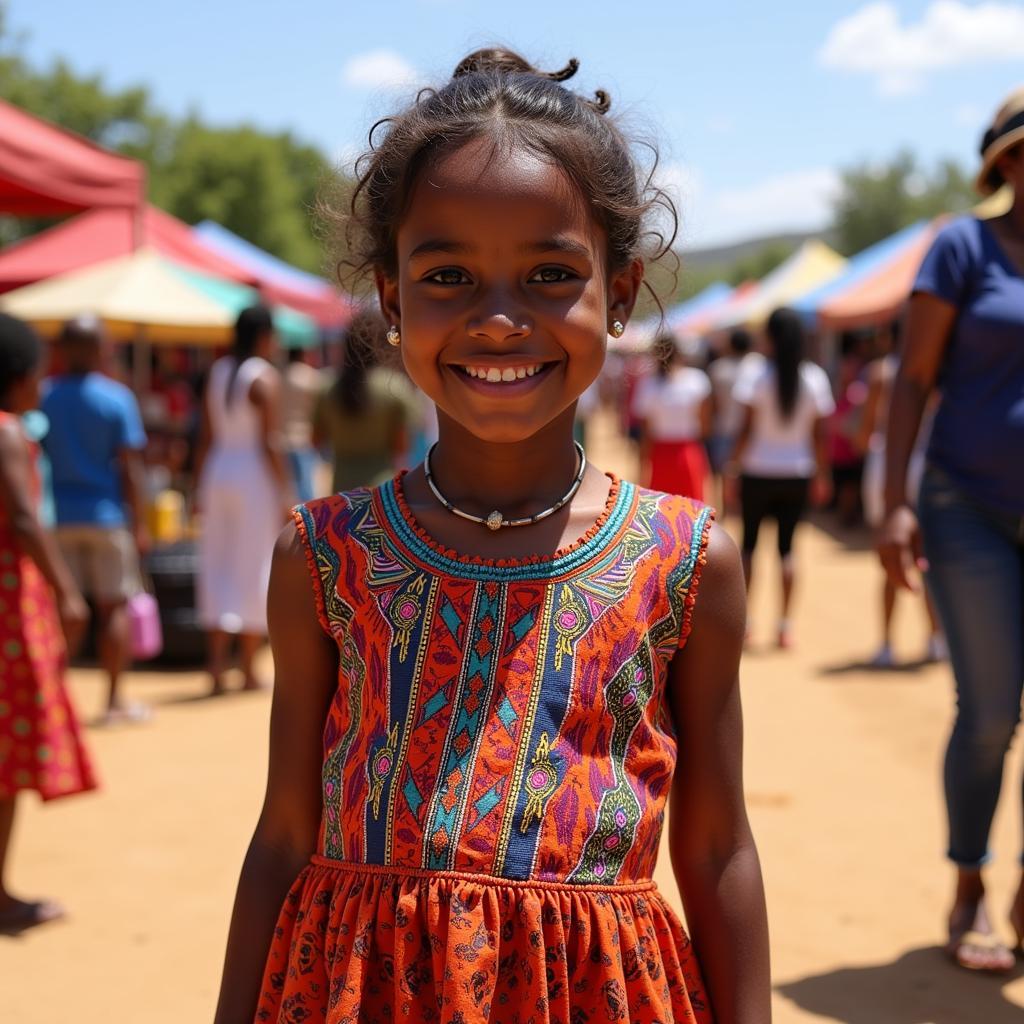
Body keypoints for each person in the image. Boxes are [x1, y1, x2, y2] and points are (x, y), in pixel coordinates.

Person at [213, 48, 770, 1024]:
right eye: (449, 276)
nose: (501, 318)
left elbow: (718, 847)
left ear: (622, 291)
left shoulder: (684, 561)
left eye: (552, 274)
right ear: (390, 298)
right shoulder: (327, 554)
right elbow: (283, 834)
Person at [878, 86, 1024, 974]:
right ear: (1007, 162)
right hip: (966, 505)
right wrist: (892, 500)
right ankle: (969, 883)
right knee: (990, 713)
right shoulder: (964, 247)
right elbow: (911, 376)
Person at [0, 314, 96, 932]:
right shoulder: (7, 432)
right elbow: (25, 521)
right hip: (9, 607)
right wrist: (68, 592)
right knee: (5, 761)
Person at [41, 316, 150, 725]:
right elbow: (130, 468)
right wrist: (139, 523)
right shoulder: (116, 398)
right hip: (106, 516)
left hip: (57, 519)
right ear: (99, 348)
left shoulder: (45, 396)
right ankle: (114, 700)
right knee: (114, 607)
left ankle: (54, 701)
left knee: (60, 612)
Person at [195, 305, 290, 695]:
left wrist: (197, 485)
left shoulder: (217, 373)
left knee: (217, 563)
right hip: (252, 475)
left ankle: (216, 667)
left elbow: (204, 435)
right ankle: (248, 670)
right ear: (264, 336)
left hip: (218, 471)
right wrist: (285, 490)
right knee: (254, 564)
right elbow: (270, 442)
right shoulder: (263, 378)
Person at [727, 308, 834, 649]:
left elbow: (744, 430)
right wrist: (822, 474)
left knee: (749, 546)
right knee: (788, 550)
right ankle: (785, 625)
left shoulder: (756, 376)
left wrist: (731, 468)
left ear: (770, 337)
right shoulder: (814, 377)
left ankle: (745, 623)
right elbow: (819, 436)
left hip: (757, 471)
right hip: (798, 472)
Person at [859, 326, 945, 668]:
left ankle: (886, 643)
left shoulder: (881, 371)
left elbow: (866, 429)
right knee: (928, 557)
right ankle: (936, 638)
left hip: (887, 463)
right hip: (925, 461)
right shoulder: (935, 368)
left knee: (889, 555)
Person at [312, 309, 411, 492]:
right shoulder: (395, 387)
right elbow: (401, 447)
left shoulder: (327, 388)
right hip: (382, 490)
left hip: (341, 489)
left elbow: (316, 440)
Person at [633, 333, 712, 500]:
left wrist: (642, 466)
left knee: (662, 507)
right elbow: (706, 425)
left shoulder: (648, 384)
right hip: (689, 451)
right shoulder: (697, 379)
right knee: (692, 508)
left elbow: (646, 432)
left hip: (661, 454)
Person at [280, 347, 325, 504]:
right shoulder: (309, 376)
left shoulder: (280, 375)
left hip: (282, 439)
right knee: (306, 489)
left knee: (288, 489)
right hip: (302, 438)